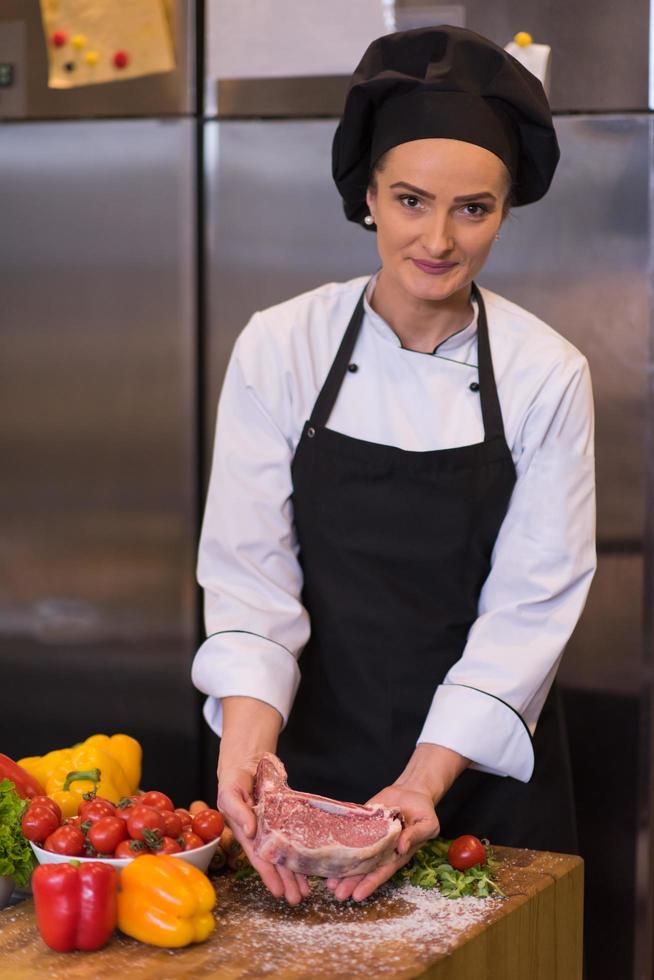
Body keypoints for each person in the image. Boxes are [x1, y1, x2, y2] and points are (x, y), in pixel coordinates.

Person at [192, 25, 596, 906]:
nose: (439, 240)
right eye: (411, 200)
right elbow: (252, 583)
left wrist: (424, 780)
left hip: (478, 778)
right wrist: (246, 754)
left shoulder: (545, 373)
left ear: (505, 209)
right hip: (302, 765)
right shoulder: (282, 345)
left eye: (473, 208)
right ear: (368, 195)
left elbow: (530, 608)